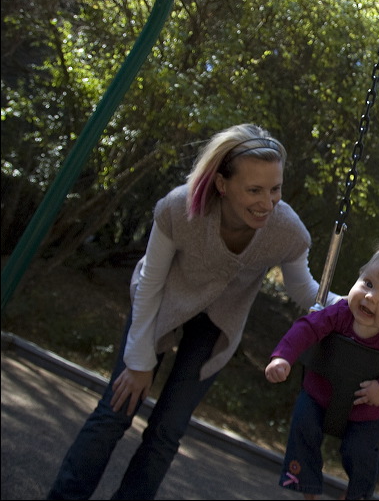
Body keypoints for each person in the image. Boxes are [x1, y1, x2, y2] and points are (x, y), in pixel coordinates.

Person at [47, 123, 339, 500]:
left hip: (218, 322)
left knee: (167, 430)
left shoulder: (287, 230)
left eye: (275, 189)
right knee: (115, 410)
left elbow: (305, 291)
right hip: (160, 304)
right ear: (221, 183)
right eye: (254, 190)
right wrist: (139, 361)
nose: (267, 203)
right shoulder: (179, 208)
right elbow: (151, 283)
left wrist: (359, 303)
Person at [265, 238, 379, 500]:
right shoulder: (337, 313)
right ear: (358, 278)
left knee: (360, 453)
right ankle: (306, 488)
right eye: (368, 283)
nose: (371, 297)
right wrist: (283, 357)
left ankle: (356, 495)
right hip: (319, 395)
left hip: (365, 412)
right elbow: (306, 328)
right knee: (303, 426)